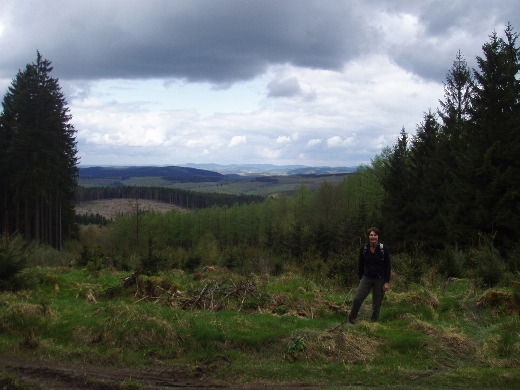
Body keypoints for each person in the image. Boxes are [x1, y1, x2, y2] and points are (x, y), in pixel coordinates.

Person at [348, 227, 391, 323]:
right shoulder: (364, 249)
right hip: (366, 278)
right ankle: (352, 319)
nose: (373, 237)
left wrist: (386, 282)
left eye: (375, 235)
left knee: (376, 304)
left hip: (380, 279)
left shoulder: (383, 249)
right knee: (357, 299)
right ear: (368, 237)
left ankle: (373, 323)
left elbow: (388, 266)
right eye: (371, 235)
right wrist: (361, 278)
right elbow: (360, 264)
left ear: (378, 237)